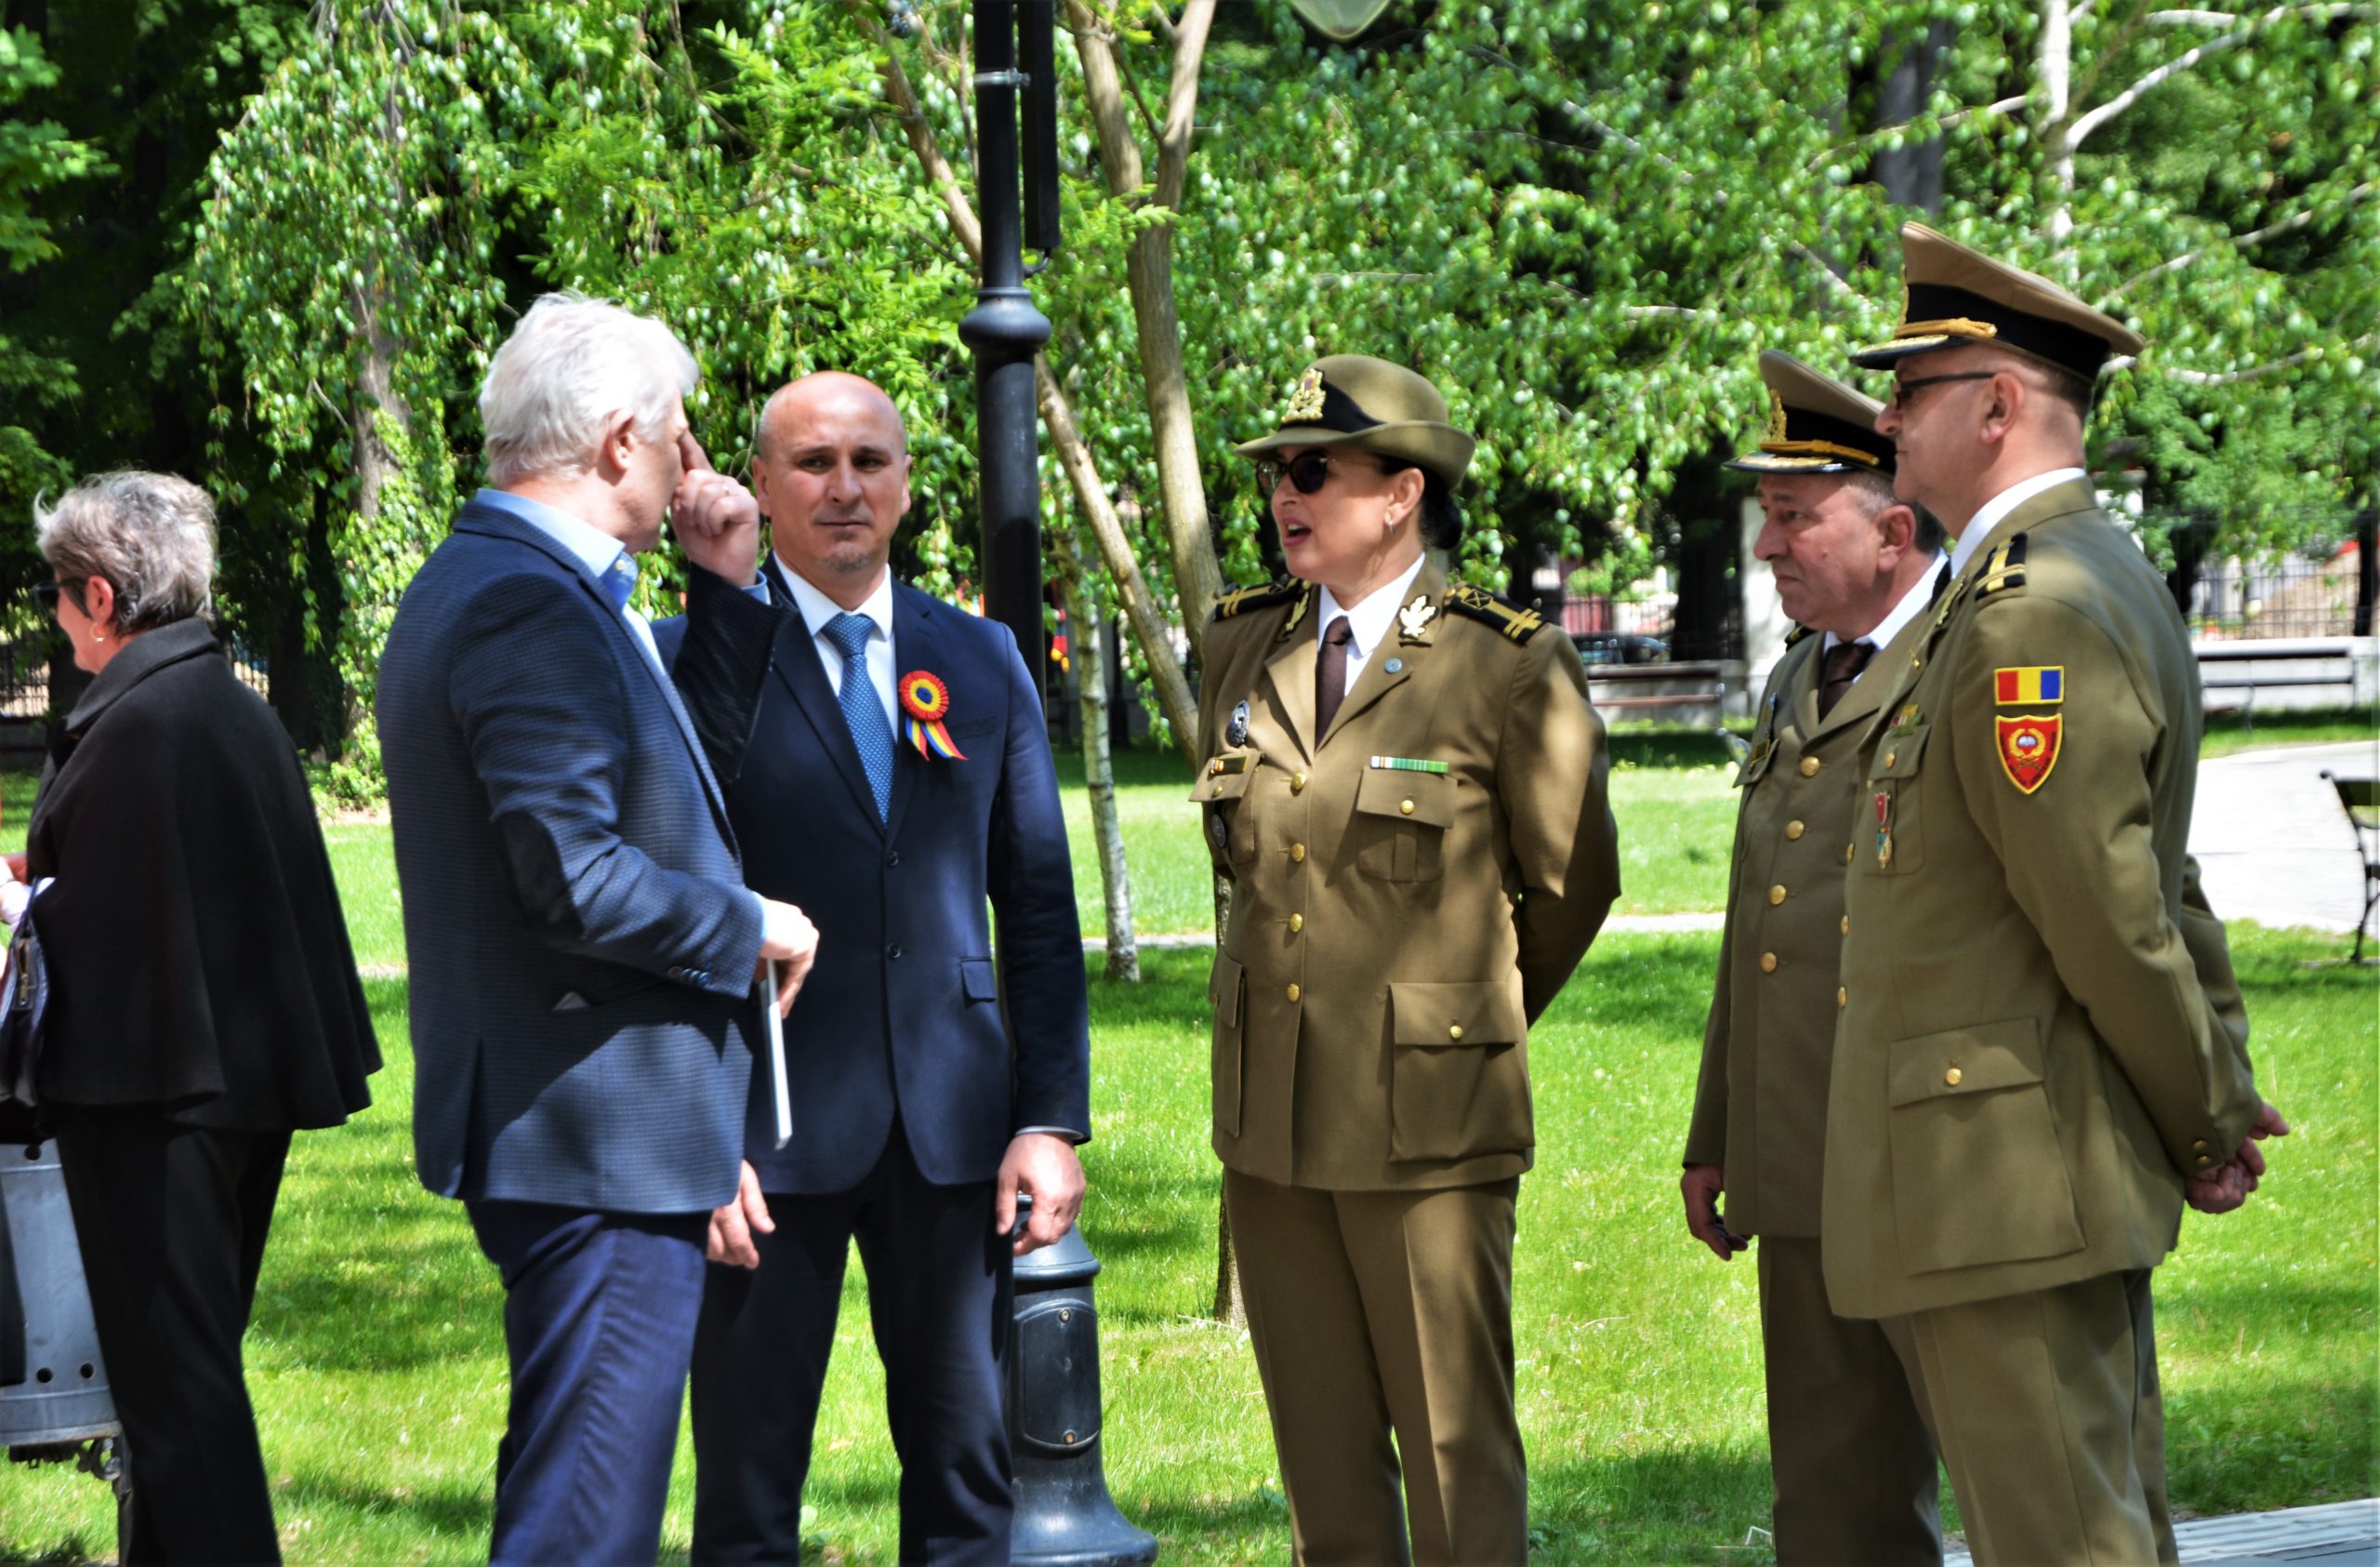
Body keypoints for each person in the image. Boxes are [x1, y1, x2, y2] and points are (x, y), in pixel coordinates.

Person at [1825, 223, 2287, 1564]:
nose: (1889, 415)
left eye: (1913, 390)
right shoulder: (2070, 577)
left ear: (2001, 406)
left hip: (2001, 1187)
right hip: (2016, 1174)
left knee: (2064, 1541)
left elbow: (2109, 911)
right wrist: (2218, 1077)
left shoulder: (2031, 611)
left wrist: (2206, 1117)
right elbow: (2160, 876)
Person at [376, 292, 821, 1566]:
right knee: (587, 1530)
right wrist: (746, 923)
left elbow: (651, 786)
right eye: (678, 433)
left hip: (580, 1131)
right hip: (594, 1143)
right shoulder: (530, 602)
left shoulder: (510, 581)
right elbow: (571, 876)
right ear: (622, 440)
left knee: (575, 1500)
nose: (694, 461)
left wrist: (721, 586)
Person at [1197, 354, 1620, 1565]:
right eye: (1278, 472)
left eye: (1314, 470)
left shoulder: (1505, 662)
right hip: (1271, 1125)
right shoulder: (1242, 644)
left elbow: (1572, 883)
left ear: (1401, 494)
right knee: (1322, 1463)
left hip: (1427, 1126)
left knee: (1452, 1452)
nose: (1285, 492)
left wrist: (1464, 1014)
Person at [663, 372, 1091, 1565]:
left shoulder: (986, 659)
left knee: (967, 1475)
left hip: (953, 1135)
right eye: (812, 462)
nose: (844, 486)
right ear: (759, 482)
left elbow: (1039, 910)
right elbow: (669, 890)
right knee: (748, 1485)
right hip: (764, 1137)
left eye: (869, 460)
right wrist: (699, 1132)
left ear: (906, 482)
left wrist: (1050, 1117)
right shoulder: (700, 653)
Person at [21, 470, 379, 1562]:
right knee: (182, 1385)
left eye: (55, 593)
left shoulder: (146, 720)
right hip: (222, 1082)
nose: (52, 616)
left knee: (178, 1399)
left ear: (97, 595)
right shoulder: (217, 699)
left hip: (154, 1096)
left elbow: (109, 923)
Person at [1679, 352, 1950, 1562]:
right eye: (1765, 518)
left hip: (1941, 1167)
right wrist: (1715, 1130)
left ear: (1891, 528)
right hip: (1803, 1168)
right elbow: (1761, 928)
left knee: (2027, 1497)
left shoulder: (1970, 660)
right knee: (1833, 1509)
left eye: (1794, 518)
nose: (1766, 547)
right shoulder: (1801, 672)